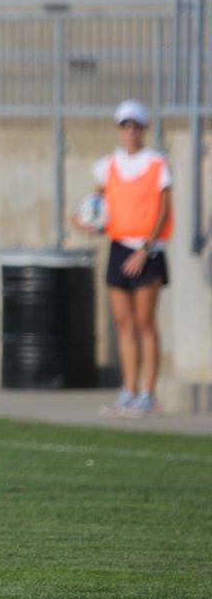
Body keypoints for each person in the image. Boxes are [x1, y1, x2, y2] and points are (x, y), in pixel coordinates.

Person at [73, 99, 172, 418]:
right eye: (125, 125)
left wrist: (145, 248)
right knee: (123, 322)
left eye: (135, 125)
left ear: (143, 129)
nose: (130, 131)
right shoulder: (109, 165)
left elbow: (163, 208)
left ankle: (148, 393)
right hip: (119, 249)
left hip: (148, 251)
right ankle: (128, 390)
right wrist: (85, 220)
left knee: (145, 322)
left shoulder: (157, 162)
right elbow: (96, 203)